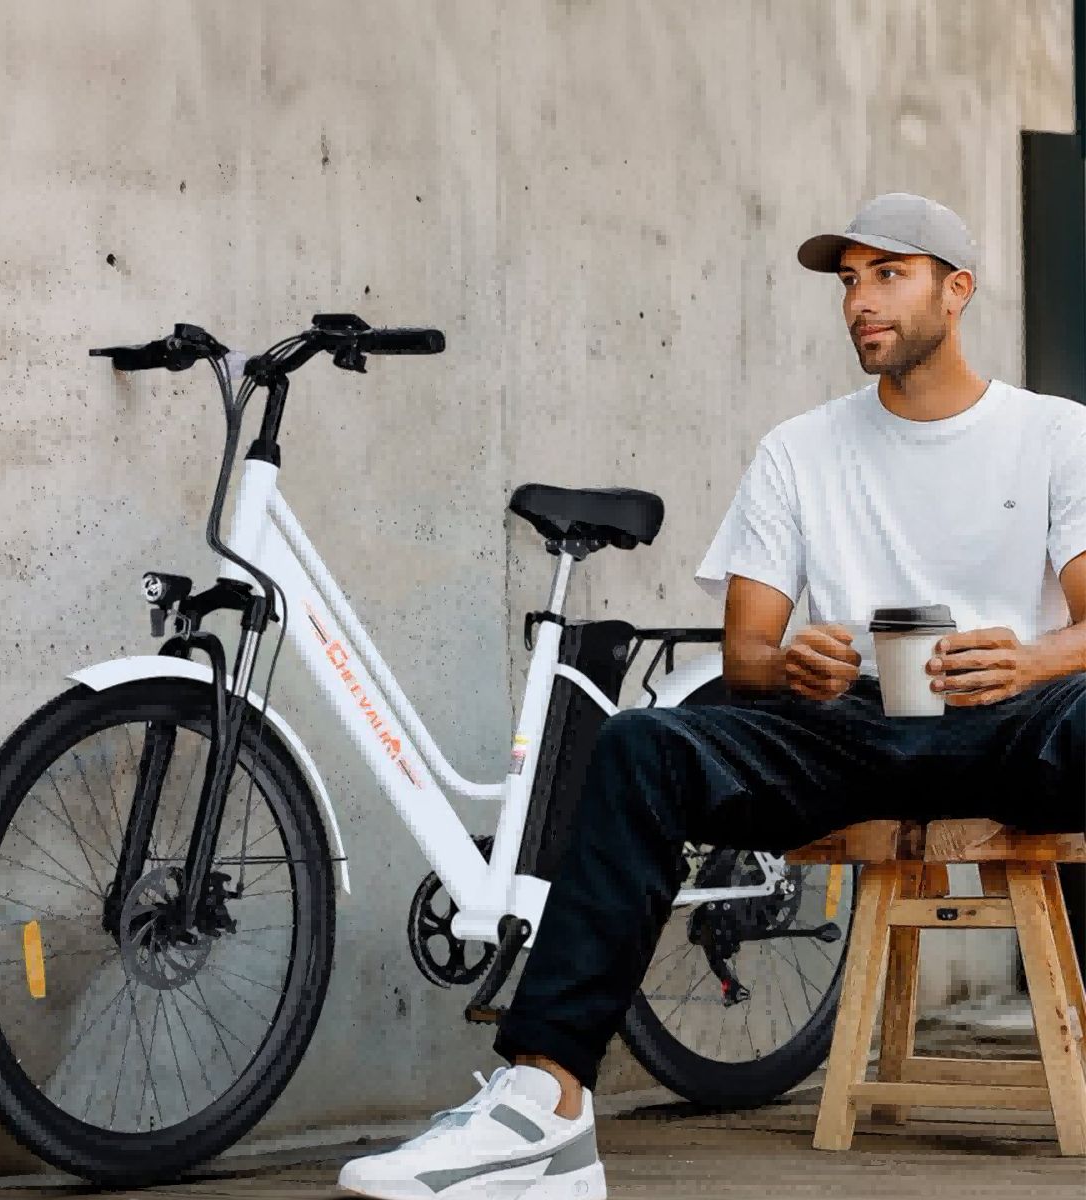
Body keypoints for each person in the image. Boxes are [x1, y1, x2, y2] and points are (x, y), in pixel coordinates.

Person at [338, 192, 1086, 1200]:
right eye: (848, 279)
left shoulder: (1052, 435)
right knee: (646, 743)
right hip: (850, 726)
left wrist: (1031, 662)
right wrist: (795, 666)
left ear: (957, 290)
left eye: (888, 274)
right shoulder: (799, 449)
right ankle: (544, 1103)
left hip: (1015, 721)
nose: (861, 299)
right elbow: (746, 652)